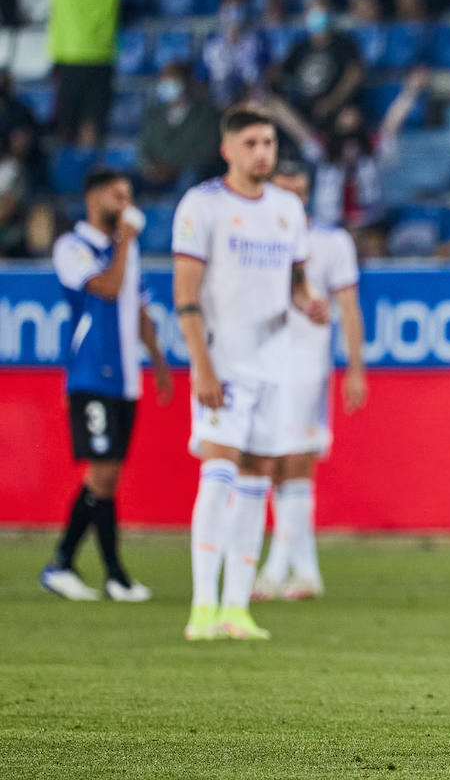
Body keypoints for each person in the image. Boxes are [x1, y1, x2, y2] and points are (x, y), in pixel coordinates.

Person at [172, 104, 328, 641]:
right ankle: (202, 606)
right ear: (228, 149)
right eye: (252, 144)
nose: (263, 152)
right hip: (223, 358)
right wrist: (201, 366)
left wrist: (307, 301)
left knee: (258, 477)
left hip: (274, 363)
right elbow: (185, 295)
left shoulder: (286, 209)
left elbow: (296, 278)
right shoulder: (202, 205)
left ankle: (236, 607)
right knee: (217, 476)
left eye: (268, 144)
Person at [41, 167, 173, 602]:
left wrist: (158, 363)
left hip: (126, 379)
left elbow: (139, 308)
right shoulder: (72, 247)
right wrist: (127, 243)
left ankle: (65, 564)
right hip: (90, 375)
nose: (127, 205)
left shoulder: (123, 250)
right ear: (94, 198)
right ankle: (112, 574)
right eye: (119, 197)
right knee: (102, 474)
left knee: (107, 478)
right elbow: (109, 288)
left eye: (129, 197)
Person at [253, 160, 367, 601]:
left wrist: (354, 368)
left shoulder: (330, 242)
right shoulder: (254, 242)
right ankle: (305, 572)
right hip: (257, 364)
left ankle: (275, 569)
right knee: (271, 468)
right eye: (285, 191)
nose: (294, 201)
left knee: (292, 462)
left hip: (304, 366)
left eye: (300, 192)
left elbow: (349, 307)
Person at [266, 67, 428, 230]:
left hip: (369, 222)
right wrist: (273, 103)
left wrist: (410, 92)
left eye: (352, 115)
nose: (348, 119)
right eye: (344, 115)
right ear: (335, 121)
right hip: (329, 223)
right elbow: (297, 129)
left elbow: (392, 122)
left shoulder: (372, 146)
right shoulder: (324, 149)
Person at [35, 0, 140, 147]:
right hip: (67, 60)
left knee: (92, 125)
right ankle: (67, 174)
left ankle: (86, 171)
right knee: (65, 125)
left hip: (101, 59)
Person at [275, 0, 366, 128]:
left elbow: (355, 74)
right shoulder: (299, 48)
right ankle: (309, 143)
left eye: (321, 12)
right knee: (272, 106)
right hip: (301, 107)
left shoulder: (343, 44)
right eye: (312, 12)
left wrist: (331, 102)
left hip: (334, 105)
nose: (316, 17)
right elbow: (281, 73)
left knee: (350, 118)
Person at [138, 62, 224, 192]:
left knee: (189, 179)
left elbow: (208, 152)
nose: (167, 87)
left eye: (174, 82)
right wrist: (151, 167)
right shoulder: (154, 114)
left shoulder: (207, 114)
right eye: (165, 82)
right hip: (156, 174)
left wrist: (174, 167)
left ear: (187, 84)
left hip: (187, 173)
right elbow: (144, 148)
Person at [202, 0, 268, 108]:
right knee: (223, 87)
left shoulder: (255, 40)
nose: (233, 14)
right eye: (229, 9)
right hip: (221, 94)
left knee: (265, 97)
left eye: (237, 9)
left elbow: (253, 75)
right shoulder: (212, 43)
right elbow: (215, 76)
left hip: (250, 93)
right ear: (222, 12)